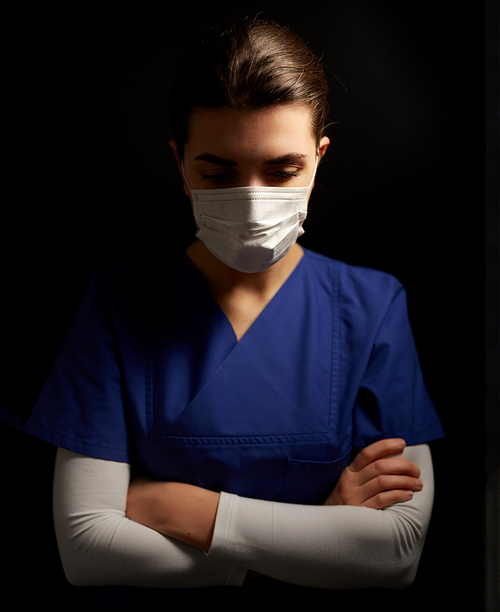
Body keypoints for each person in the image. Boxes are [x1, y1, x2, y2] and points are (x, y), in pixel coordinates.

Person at [22, 16, 445, 593]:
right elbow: (89, 550)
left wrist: (178, 509)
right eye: (218, 174)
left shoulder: (371, 307)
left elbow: (394, 554)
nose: (252, 203)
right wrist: (318, 535)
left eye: (282, 171)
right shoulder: (119, 306)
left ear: (319, 157)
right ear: (179, 161)